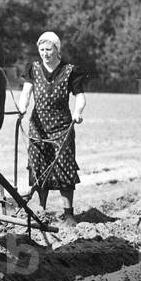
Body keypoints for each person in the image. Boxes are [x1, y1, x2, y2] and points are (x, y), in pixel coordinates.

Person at [17, 31, 87, 227]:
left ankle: (69, 214)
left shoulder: (70, 71)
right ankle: (42, 210)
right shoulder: (33, 68)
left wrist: (78, 112)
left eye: (49, 49)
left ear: (57, 51)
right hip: (37, 126)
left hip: (62, 126)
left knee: (64, 166)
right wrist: (22, 108)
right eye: (42, 49)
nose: (45, 53)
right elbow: (26, 92)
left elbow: (80, 96)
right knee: (39, 166)